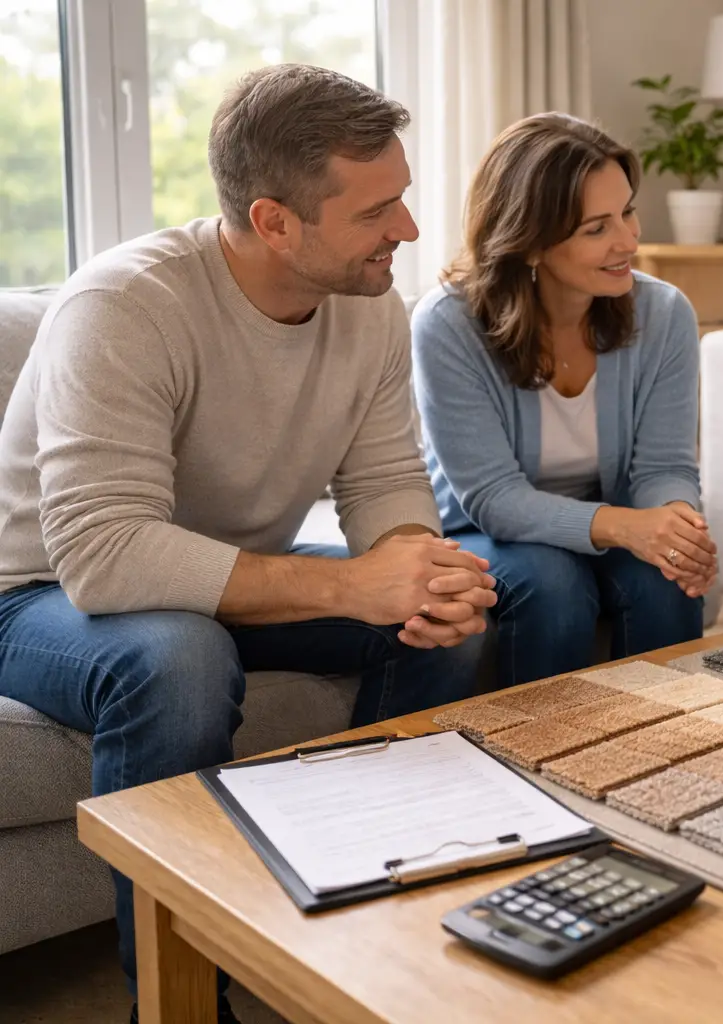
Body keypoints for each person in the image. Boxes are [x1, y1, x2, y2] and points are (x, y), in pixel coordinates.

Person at [0, 65, 497, 1020]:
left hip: (210, 574)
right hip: (35, 593)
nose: (410, 230)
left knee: (458, 619)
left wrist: (415, 570)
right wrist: (357, 589)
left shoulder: (370, 305)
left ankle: (371, 910)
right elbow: (106, 558)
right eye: (378, 209)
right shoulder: (126, 307)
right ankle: (177, 998)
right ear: (274, 222)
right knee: (180, 657)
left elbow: (386, 479)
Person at [411, 113, 714, 688]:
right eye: (596, 228)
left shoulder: (665, 312)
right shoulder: (447, 324)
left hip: (615, 514)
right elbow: (495, 500)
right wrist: (626, 527)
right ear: (529, 243)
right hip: (483, 529)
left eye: (627, 211)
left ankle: (676, 747)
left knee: (665, 576)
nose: (628, 241)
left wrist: (678, 528)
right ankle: (540, 758)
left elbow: (664, 467)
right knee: (552, 581)